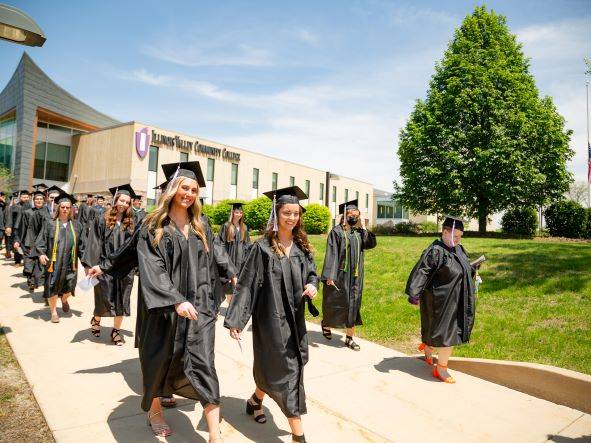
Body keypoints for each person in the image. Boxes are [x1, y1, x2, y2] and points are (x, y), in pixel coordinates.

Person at [88, 162, 222, 440]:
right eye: (184, 188)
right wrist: (174, 300)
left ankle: (214, 434)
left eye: (194, 190)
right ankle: (155, 411)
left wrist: (226, 283)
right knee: (159, 359)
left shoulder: (202, 224)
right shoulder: (153, 224)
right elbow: (149, 265)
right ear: (173, 189)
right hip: (162, 308)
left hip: (197, 308)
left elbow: (212, 262)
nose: (189, 194)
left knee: (204, 364)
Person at [225, 186, 319, 443]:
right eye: (286, 212)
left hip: (295, 320)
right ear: (276, 214)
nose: (291, 217)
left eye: (296, 213)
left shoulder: (302, 247)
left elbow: (312, 273)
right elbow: (247, 283)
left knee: (279, 366)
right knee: (287, 371)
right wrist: (236, 319)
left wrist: (312, 284)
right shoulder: (263, 248)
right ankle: (298, 435)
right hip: (270, 319)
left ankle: (255, 400)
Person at [405, 215, 478, 384]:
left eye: (460, 236)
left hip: (456, 299)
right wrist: (414, 294)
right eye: (455, 236)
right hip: (440, 300)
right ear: (445, 232)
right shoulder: (436, 250)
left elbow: (462, 267)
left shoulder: (458, 249)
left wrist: (472, 269)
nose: (458, 240)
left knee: (440, 331)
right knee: (447, 335)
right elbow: (422, 270)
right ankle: (441, 369)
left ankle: (428, 350)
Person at [82, 185, 137, 346]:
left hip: (125, 269)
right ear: (115, 200)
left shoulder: (132, 222)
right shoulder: (102, 219)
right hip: (104, 267)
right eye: (121, 200)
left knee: (122, 301)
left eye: (127, 202)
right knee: (103, 300)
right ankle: (96, 319)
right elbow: (94, 242)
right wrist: (89, 265)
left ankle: (116, 331)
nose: (124, 204)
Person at [320, 199, 376, 351]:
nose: (354, 217)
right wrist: (329, 275)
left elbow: (370, 244)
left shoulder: (358, 232)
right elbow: (331, 253)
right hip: (339, 274)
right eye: (350, 214)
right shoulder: (336, 232)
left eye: (356, 214)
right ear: (344, 215)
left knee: (353, 305)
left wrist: (364, 226)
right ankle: (326, 322)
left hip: (356, 276)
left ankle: (349, 338)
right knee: (335, 301)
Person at [33, 192, 85, 324]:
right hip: (54, 262)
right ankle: (54, 312)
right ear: (58, 208)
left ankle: (64, 299)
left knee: (70, 287)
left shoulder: (77, 225)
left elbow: (83, 246)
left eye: (68, 207)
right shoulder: (50, 223)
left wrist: (88, 264)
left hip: (70, 263)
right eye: (63, 207)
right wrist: (41, 253)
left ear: (71, 209)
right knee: (52, 286)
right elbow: (40, 240)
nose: (65, 209)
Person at [215, 202, 250, 306]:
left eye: (240, 212)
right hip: (229, 261)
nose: (239, 214)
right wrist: (225, 262)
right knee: (230, 288)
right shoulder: (226, 226)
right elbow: (219, 245)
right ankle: (231, 309)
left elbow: (247, 245)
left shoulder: (244, 227)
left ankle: (232, 309)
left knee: (237, 288)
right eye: (236, 212)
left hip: (240, 261)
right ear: (232, 213)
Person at [13, 190, 47, 291]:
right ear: (33, 200)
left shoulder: (47, 212)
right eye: (37, 199)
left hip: (42, 241)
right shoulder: (28, 212)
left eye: (41, 199)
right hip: (29, 241)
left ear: (43, 200)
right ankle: (31, 281)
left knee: (40, 263)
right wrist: (17, 240)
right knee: (29, 263)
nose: (39, 200)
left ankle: (36, 280)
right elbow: (22, 228)